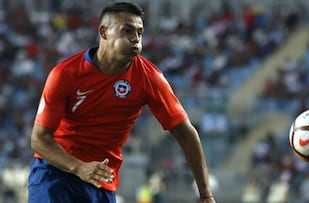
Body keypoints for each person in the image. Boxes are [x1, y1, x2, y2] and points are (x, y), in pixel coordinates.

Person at [27, 2, 216, 203]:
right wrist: (79, 167)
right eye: (127, 30)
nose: (135, 38)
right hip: (55, 173)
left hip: (101, 181)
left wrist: (206, 195)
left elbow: (186, 134)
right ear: (104, 32)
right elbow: (39, 139)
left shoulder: (149, 78)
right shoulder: (65, 74)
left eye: (140, 32)